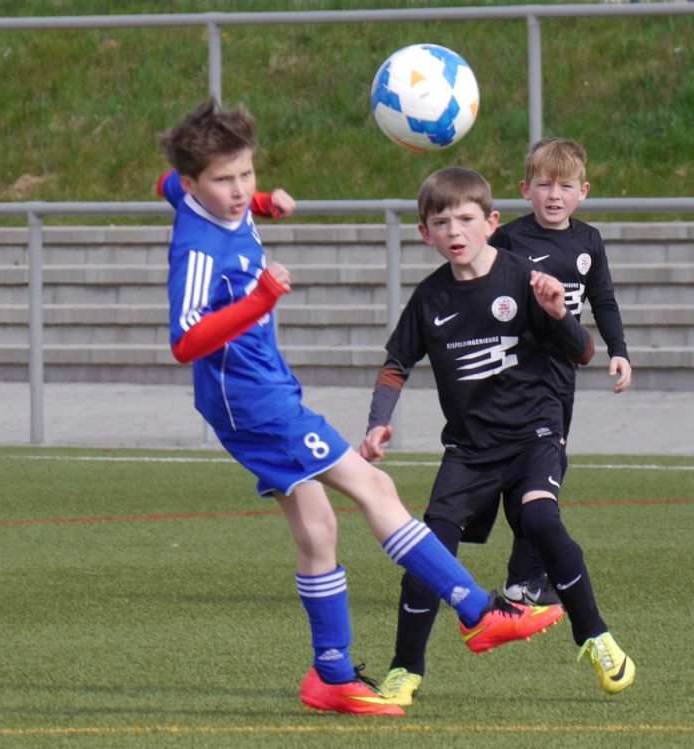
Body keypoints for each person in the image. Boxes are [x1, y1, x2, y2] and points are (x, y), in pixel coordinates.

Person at [157, 100, 563, 718]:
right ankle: (478, 612)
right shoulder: (199, 247)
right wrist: (261, 298)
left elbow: (166, 182)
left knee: (318, 529)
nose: (239, 191)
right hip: (252, 402)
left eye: (246, 174)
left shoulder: (206, 196)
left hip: (260, 387)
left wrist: (264, 203)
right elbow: (186, 340)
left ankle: (331, 676)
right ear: (195, 185)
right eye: (224, 181)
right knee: (375, 487)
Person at [360, 166, 634, 706]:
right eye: (442, 223)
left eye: (466, 219)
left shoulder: (523, 278)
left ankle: (596, 637)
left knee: (540, 518)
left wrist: (558, 312)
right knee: (428, 552)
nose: (455, 232)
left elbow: (584, 352)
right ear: (425, 233)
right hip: (469, 449)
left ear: (491, 223)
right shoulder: (430, 298)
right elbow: (396, 364)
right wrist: (376, 422)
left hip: (534, 434)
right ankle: (404, 671)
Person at [491, 138, 631, 608]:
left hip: (560, 376)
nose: (554, 195)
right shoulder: (508, 239)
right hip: (514, 375)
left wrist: (618, 351)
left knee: (543, 471)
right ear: (525, 189)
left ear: (583, 191)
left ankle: (523, 579)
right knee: (535, 473)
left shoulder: (588, 241)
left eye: (565, 186)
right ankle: (525, 577)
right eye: (544, 185)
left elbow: (603, 300)